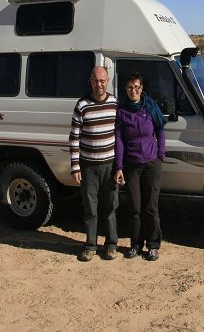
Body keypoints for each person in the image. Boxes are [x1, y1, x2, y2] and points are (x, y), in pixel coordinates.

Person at [69, 66, 119, 262]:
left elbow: (120, 136)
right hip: (88, 166)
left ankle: (111, 244)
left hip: (110, 165)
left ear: (108, 81)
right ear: (90, 81)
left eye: (103, 81)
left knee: (110, 207)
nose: (99, 84)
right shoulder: (82, 105)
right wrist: (75, 166)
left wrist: (120, 166)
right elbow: (74, 138)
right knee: (90, 208)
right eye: (96, 81)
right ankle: (90, 245)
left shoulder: (115, 103)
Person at [114, 73, 166, 261]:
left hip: (152, 164)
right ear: (125, 90)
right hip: (131, 166)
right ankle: (135, 244)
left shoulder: (150, 107)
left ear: (142, 88)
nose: (133, 90)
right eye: (129, 87)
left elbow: (160, 131)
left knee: (151, 206)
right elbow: (118, 140)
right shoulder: (121, 111)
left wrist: (160, 155)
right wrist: (119, 166)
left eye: (136, 87)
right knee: (135, 207)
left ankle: (153, 245)